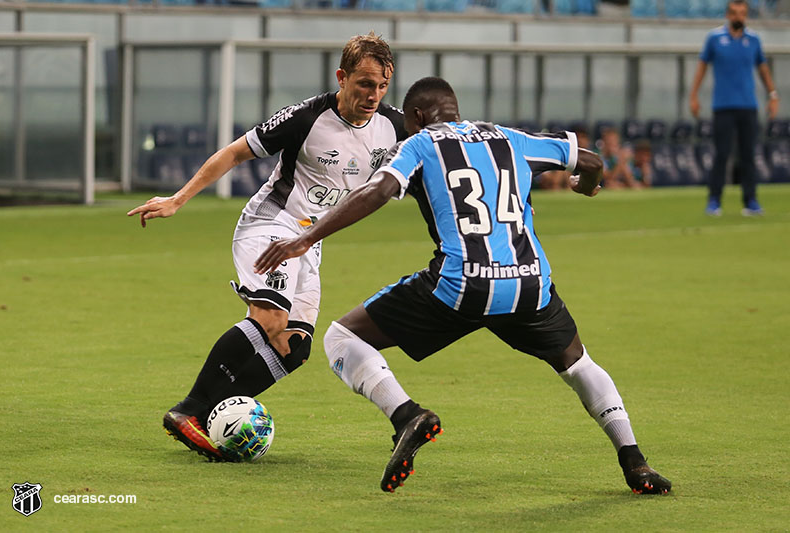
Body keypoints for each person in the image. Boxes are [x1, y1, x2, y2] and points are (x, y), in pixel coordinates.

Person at [254, 77, 672, 495]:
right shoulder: (512, 138)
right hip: (528, 285)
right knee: (579, 365)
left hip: (461, 286)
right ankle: (635, 462)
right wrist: (587, 185)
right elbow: (590, 159)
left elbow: (378, 190)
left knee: (341, 337)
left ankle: (406, 416)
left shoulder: (419, 144)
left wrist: (305, 238)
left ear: (417, 117)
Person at [127, 32, 406, 462]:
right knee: (271, 317)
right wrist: (177, 200)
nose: (374, 95)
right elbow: (234, 153)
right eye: (365, 83)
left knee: (293, 346)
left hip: (309, 242)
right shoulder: (306, 117)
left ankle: (215, 415)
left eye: (382, 85)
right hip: (270, 226)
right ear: (342, 76)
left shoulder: (392, 125)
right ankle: (188, 411)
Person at [689, 0, 780, 216]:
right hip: (723, 106)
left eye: (742, 13)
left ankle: (751, 201)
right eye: (735, 13)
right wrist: (694, 95)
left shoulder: (754, 39)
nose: (739, 17)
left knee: (748, 155)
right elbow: (702, 66)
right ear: (728, 15)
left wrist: (773, 95)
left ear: (746, 15)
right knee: (721, 154)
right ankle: (714, 201)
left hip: (748, 106)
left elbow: (763, 68)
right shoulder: (715, 38)